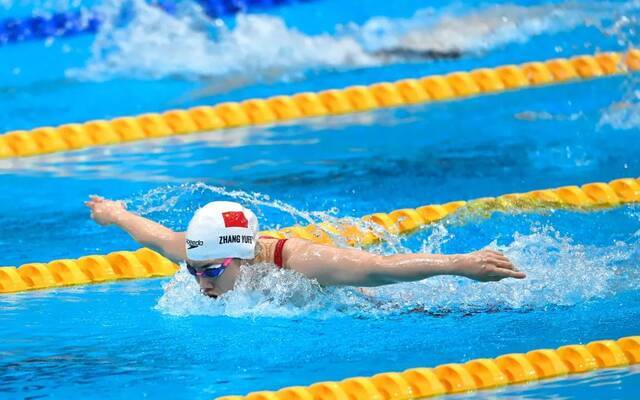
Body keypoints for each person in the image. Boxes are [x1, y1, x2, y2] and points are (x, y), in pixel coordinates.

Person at [85, 196, 525, 298]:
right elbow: (151, 234)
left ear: (241, 255)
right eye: (192, 269)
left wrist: (459, 263)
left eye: (210, 271)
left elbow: (380, 268)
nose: (199, 279)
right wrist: (113, 212)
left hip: (358, 304)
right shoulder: (200, 250)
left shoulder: (304, 262)